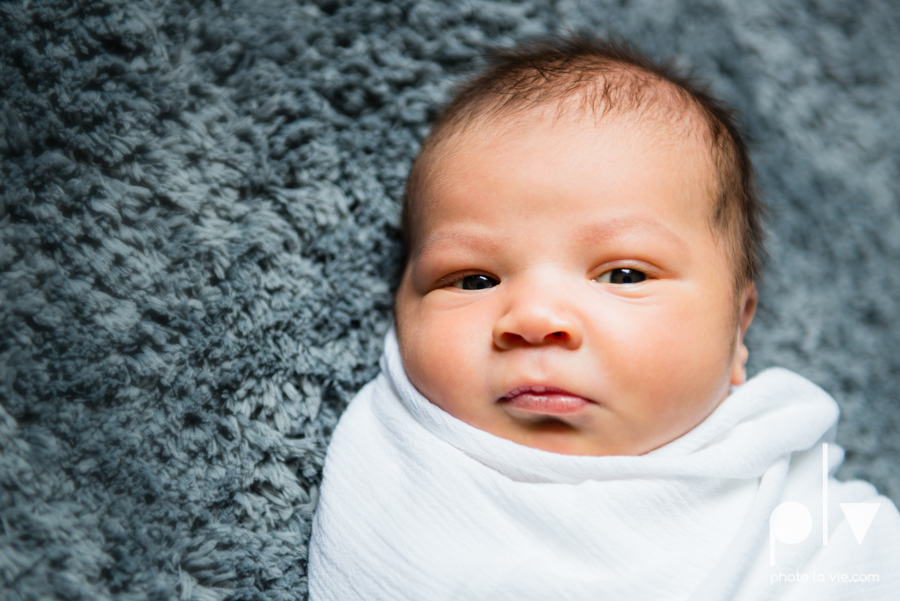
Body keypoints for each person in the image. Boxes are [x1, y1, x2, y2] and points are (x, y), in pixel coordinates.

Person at [308, 34, 900, 600]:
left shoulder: (815, 531)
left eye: (623, 275)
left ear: (738, 330)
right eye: (474, 279)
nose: (534, 318)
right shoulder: (398, 485)